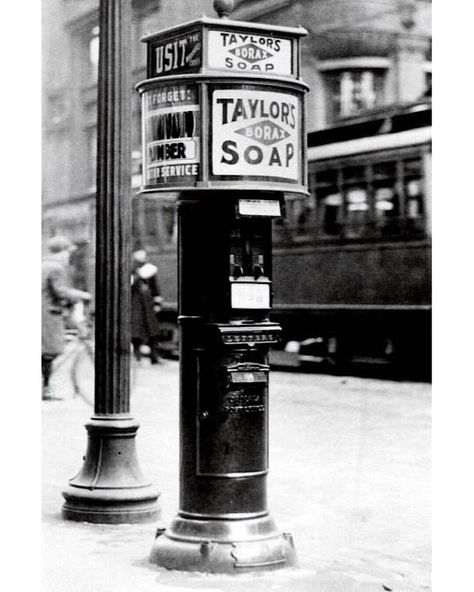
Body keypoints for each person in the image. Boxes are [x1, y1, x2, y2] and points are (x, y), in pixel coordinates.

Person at [42, 235, 91, 400]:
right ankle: (45, 388)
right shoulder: (56, 268)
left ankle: (45, 386)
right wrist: (83, 295)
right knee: (49, 352)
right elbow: (60, 291)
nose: (68, 256)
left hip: (45, 312)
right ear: (62, 252)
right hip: (48, 314)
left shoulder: (44, 264)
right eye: (67, 252)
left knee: (45, 352)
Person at [131, 248, 163, 364]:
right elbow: (130, 285)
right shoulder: (132, 269)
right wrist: (138, 275)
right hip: (136, 304)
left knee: (152, 331)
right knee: (136, 332)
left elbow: (155, 287)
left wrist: (157, 302)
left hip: (147, 304)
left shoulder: (149, 269)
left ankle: (154, 357)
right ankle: (137, 356)